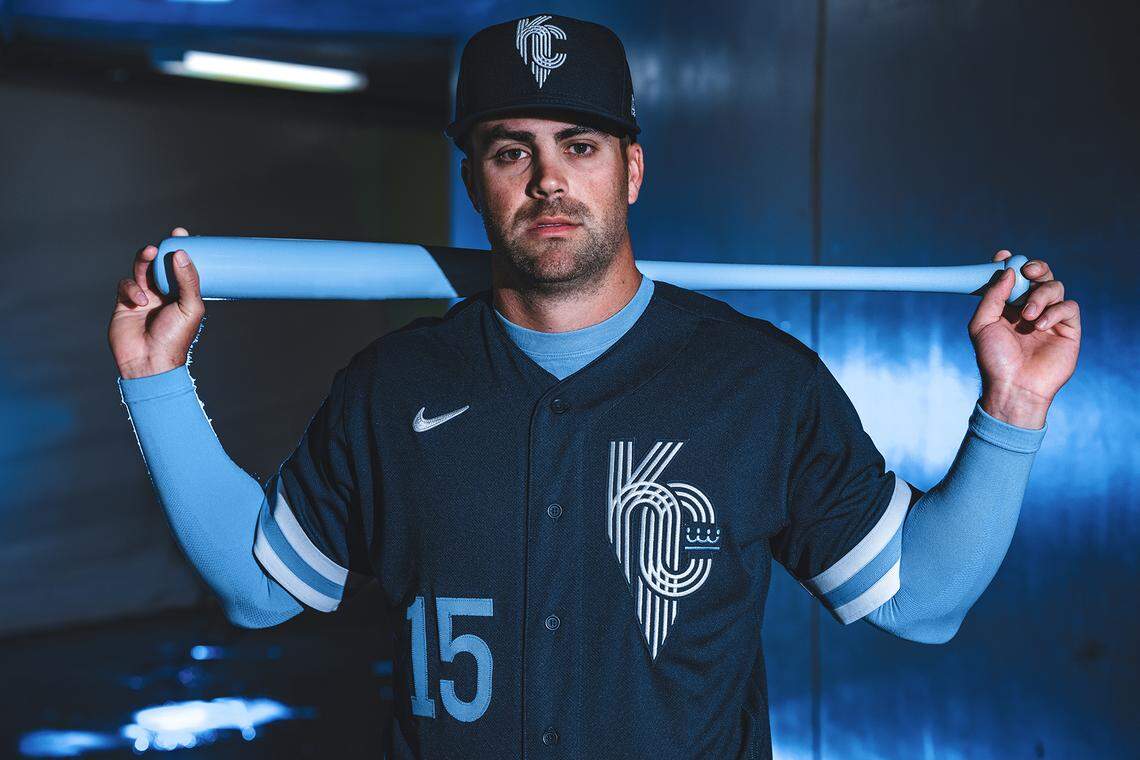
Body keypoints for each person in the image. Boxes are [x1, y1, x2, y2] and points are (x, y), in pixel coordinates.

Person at [107, 14, 1081, 760]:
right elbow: (256, 586)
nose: (546, 180)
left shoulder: (759, 385)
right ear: (477, 177)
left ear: (631, 169)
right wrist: (157, 385)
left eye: (579, 144)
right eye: (509, 149)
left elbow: (923, 603)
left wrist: (1014, 411)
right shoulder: (391, 386)